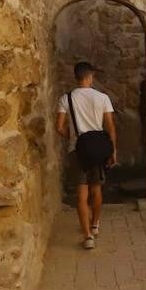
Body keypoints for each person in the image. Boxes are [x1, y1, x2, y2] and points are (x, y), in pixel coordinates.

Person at [56, 61, 117, 249]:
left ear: (76, 77)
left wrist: (73, 136)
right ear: (90, 77)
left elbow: (59, 128)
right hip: (98, 149)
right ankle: (95, 223)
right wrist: (113, 150)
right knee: (96, 189)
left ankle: (88, 237)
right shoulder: (102, 98)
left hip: (78, 149)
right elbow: (110, 127)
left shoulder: (66, 99)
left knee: (81, 194)